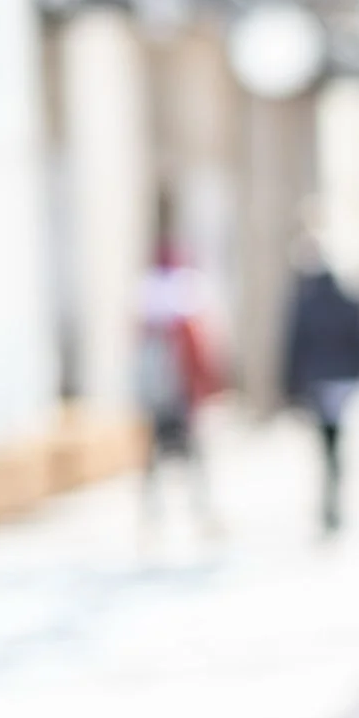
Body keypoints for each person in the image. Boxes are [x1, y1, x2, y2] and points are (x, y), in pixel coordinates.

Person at [136, 198, 220, 539]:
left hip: (161, 395)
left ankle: (154, 520)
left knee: (159, 461)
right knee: (191, 459)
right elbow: (200, 353)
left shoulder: (149, 297)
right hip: (180, 394)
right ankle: (197, 516)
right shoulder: (187, 295)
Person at [280, 228, 359, 534]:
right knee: (333, 443)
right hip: (340, 381)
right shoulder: (344, 296)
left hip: (320, 383)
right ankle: (332, 501)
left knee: (326, 445)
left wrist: (290, 386)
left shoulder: (306, 299)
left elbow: (294, 344)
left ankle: (330, 503)